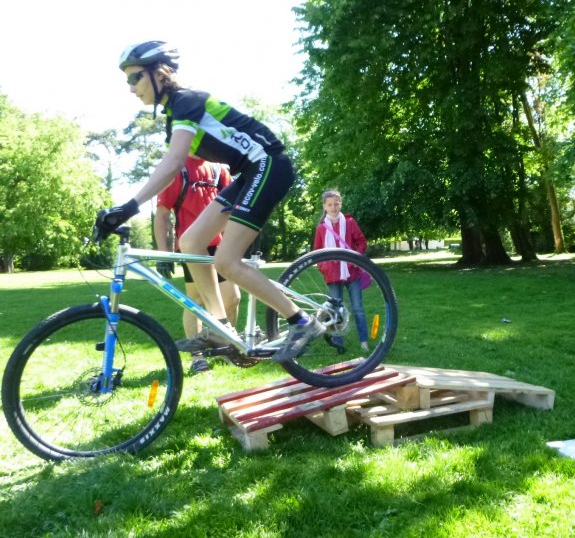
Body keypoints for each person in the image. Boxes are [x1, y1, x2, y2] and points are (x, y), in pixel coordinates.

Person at [95, 40, 325, 363]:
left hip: (269, 164)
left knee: (226, 261)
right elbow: (171, 166)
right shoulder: (175, 116)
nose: (131, 88)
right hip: (249, 171)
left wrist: (127, 208)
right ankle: (219, 324)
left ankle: (301, 321)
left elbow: (174, 162)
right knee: (190, 241)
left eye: (135, 78)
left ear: (158, 73)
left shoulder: (186, 101)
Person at [153, 155, 240, 374]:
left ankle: (224, 346)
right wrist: (164, 253)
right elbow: (162, 215)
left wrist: (233, 242)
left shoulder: (219, 170)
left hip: (220, 246)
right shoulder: (178, 169)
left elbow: (234, 209)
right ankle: (197, 356)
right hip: (191, 246)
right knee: (196, 300)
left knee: (232, 297)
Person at [313, 189, 370, 351]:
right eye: (330, 205)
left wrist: (355, 260)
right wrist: (324, 267)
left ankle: (364, 341)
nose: (333, 207)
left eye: (336, 204)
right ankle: (338, 342)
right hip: (332, 274)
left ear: (341, 204)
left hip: (352, 273)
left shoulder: (350, 223)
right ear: (324, 207)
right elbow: (317, 252)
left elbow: (361, 242)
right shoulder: (321, 228)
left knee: (358, 307)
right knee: (335, 310)